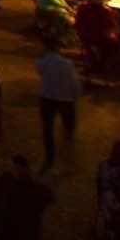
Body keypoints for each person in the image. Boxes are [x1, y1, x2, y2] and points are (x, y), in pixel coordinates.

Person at [38, 40, 80, 169]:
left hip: (47, 97)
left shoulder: (41, 63)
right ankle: (68, 149)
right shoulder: (67, 64)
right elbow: (74, 83)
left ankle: (50, 157)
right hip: (65, 99)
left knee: (48, 129)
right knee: (69, 125)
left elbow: (40, 72)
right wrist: (75, 95)